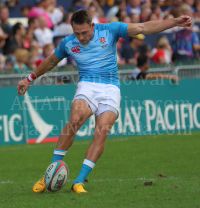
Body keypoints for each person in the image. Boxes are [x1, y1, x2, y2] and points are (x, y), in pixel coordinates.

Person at [17, 9, 192, 193]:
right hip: (87, 84)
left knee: (101, 131)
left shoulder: (110, 30)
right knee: (75, 119)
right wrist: (29, 79)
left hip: (110, 87)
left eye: (84, 32)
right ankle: (50, 173)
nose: (81, 37)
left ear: (92, 26)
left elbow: (144, 26)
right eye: (77, 33)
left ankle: (79, 181)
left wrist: (174, 22)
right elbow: (51, 61)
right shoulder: (68, 43)